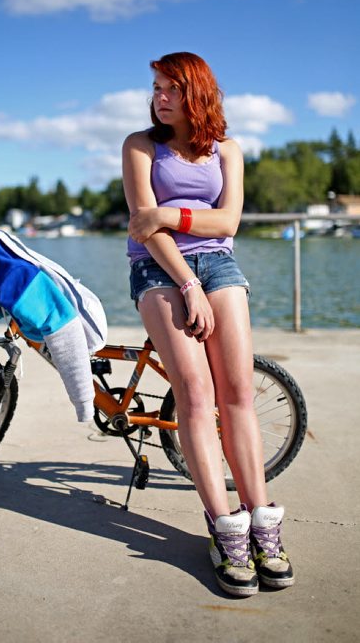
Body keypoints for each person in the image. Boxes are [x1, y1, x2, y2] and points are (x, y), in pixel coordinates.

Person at [122, 51, 294, 597]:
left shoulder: (228, 151)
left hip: (220, 262)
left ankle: (262, 521)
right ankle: (225, 530)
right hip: (158, 267)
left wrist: (171, 213)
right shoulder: (139, 146)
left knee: (238, 392)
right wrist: (188, 284)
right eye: (155, 87)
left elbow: (228, 220)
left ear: (196, 92)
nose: (159, 97)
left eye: (170, 87)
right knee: (196, 395)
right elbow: (143, 229)